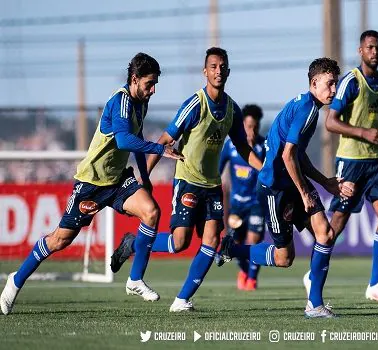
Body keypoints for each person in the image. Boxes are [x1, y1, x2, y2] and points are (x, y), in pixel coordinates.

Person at [0, 53, 184, 315]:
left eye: (155, 84)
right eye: (149, 84)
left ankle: (134, 280)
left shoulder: (141, 104)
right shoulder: (120, 101)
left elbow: (138, 137)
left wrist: (144, 176)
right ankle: (15, 281)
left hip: (118, 179)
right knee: (59, 240)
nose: (153, 90)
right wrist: (161, 149)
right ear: (134, 79)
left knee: (152, 212)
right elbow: (123, 141)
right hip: (91, 183)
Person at [110, 47, 263, 312]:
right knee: (179, 243)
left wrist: (266, 171)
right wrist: (143, 177)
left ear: (228, 71)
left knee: (212, 240)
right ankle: (132, 243)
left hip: (213, 186)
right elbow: (165, 140)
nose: (218, 71)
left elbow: (244, 149)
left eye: (222, 66)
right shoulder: (195, 104)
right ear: (205, 72)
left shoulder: (232, 109)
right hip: (188, 182)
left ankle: (182, 300)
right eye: (213, 66)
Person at [216, 58, 355, 318]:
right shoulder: (307, 109)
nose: (334, 90)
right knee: (284, 258)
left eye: (335, 83)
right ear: (314, 83)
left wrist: (324, 182)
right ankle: (232, 249)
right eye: (330, 84)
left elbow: (298, 155)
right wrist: (304, 192)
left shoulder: (307, 105)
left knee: (324, 234)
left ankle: (314, 305)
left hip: (291, 182)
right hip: (274, 189)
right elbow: (288, 155)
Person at [304, 30, 378, 305]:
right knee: (336, 224)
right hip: (351, 161)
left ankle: (375, 284)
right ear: (360, 51)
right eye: (370, 47)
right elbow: (331, 122)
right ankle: (313, 274)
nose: (374, 52)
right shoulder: (350, 83)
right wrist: (364, 133)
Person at [219, 104, 266, 291]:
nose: (251, 131)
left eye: (255, 127)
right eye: (248, 126)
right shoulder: (230, 146)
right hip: (236, 205)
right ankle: (245, 271)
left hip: (256, 203)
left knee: (254, 240)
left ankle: (252, 280)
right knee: (235, 243)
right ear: (242, 126)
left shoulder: (263, 146)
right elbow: (218, 171)